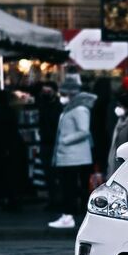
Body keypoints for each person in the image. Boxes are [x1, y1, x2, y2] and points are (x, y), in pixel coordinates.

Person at [48, 75, 96, 229]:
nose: (60, 97)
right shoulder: (72, 108)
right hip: (70, 155)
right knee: (70, 187)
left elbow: (84, 131)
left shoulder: (80, 109)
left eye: (63, 94)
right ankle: (70, 215)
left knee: (70, 187)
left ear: (70, 94)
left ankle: (69, 216)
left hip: (74, 156)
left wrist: (65, 140)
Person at [0, 89, 26, 212]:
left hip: (4, 148)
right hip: (12, 147)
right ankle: (14, 199)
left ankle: (11, 200)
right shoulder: (10, 111)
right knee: (12, 175)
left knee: (7, 175)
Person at [37, 81, 63, 211]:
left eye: (48, 91)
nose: (46, 93)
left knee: (54, 174)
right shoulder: (44, 105)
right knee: (49, 174)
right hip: (46, 142)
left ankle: (56, 200)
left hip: (53, 143)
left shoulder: (58, 107)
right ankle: (53, 199)